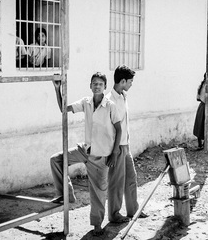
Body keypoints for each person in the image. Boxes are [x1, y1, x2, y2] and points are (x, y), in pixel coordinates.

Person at [50, 72, 122, 236]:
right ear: (90, 86)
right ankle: (66, 195)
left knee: (98, 192)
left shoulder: (110, 106)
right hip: (85, 150)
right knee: (56, 160)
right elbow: (63, 109)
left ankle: (97, 225)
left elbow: (119, 129)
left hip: (101, 155)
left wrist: (115, 153)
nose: (97, 86)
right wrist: (57, 89)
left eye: (100, 84)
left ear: (105, 87)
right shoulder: (86, 102)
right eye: (94, 83)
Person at [106, 65, 147, 224]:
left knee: (131, 178)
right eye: (130, 81)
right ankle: (114, 215)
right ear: (122, 81)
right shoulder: (110, 101)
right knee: (116, 182)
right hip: (116, 148)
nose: (131, 84)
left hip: (126, 145)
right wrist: (114, 151)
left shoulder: (123, 96)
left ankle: (133, 210)